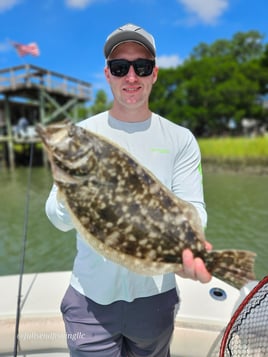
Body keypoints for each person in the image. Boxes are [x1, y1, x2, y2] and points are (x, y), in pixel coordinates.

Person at [45, 23, 212, 357]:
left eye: (142, 67)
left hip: (155, 297)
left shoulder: (180, 139)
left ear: (154, 74)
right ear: (108, 74)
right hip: (90, 299)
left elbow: (196, 208)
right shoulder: (82, 133)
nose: (131, 77)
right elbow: (58, 218)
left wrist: (187, 246)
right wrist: (70, 188)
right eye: (121, 68)